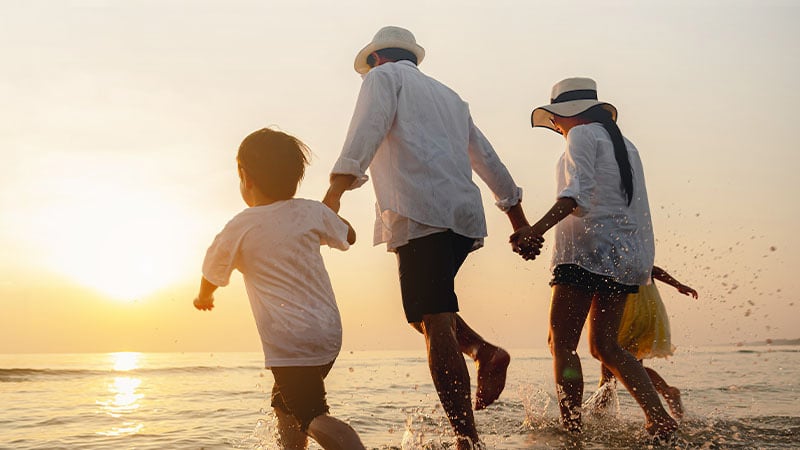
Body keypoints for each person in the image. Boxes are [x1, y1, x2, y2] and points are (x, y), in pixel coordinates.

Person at [322, 26, 541, 449]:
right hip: (460, 217)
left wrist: (334, 192)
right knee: (422, 314)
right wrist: (516, 218)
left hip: (421, 212)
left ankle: (467, 440)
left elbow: (365, 132)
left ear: (376, 60)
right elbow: (486, 156)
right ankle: (482, 352)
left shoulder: (382, 80)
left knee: (435, 321)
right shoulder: (450, 98)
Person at [510, 77, 678, 440]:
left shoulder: (582, 136)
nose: (556, 125)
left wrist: (533, 230)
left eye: (557, 118)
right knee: (605, 346)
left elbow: (576, 197)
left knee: (562, 343)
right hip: (625, 257)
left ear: (570, 114)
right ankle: (658, 418)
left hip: (586, 253)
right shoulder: (626, 144)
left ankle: (572, 428)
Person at [193, 128, 366, 450]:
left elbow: (212, 272)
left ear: (245, 177)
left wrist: (203, 297)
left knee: (312, 415)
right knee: (284, 405)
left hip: (291, 340)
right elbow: (349, 236)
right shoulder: (310, 211)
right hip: (327, 334)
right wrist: (327, 214)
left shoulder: (240, 226)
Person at [589, 265, 698, 420]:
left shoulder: (616, 254)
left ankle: (601, 409)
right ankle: (666, 392)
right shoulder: (634, 253)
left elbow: (652, 269)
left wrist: (677, 285)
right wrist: (677, 285)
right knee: (625, 362)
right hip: (644, 308)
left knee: (611, 356)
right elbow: (652, 269)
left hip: (629, 311)